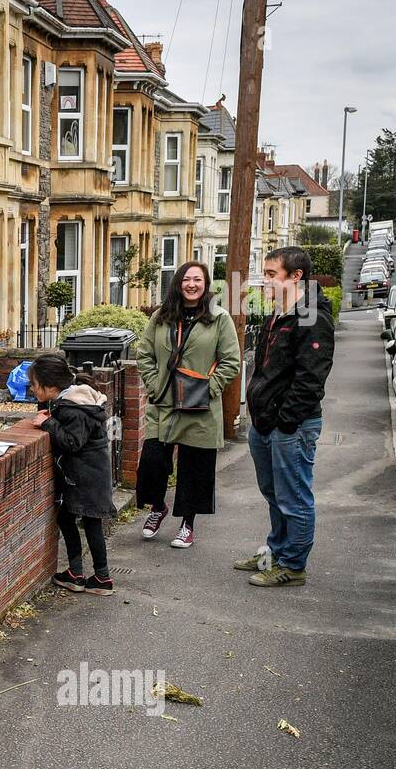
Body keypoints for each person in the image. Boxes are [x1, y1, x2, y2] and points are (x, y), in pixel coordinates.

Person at [241, 246, 334, 588]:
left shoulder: (312, 317)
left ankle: (293, 565)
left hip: (290, 426)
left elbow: (311, 379)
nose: (263, 282)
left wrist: (285, 421)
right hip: (266, 423)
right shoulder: (278, 313)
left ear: (296, 277)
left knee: (293, 495)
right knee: (273, 492)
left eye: (270, 275)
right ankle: (277, 551)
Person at [135, 260, 242, 548]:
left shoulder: (219, 319)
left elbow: (232, 361)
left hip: (199, 406)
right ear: (178, 283)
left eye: (197, 279)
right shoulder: (161, 317)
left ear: (206, 284)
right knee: (153, 463)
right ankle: (157, 507)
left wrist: (210, 389)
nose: (191, 284)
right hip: (164, 404)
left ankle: (187, 524)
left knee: (195, 469)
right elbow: (144, 354)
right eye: (186, 279)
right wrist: (154, 383)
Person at [32, 354, 116, 596]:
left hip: (86, 475)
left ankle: (97, 577)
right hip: (92, 472)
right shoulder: (78, 399)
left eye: (35, 385)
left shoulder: (73, 408)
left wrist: (48, 424)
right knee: (78, 520)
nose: (32, 389)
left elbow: (73, 442)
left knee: (87, 522)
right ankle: (84, 574)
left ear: (50, 386)